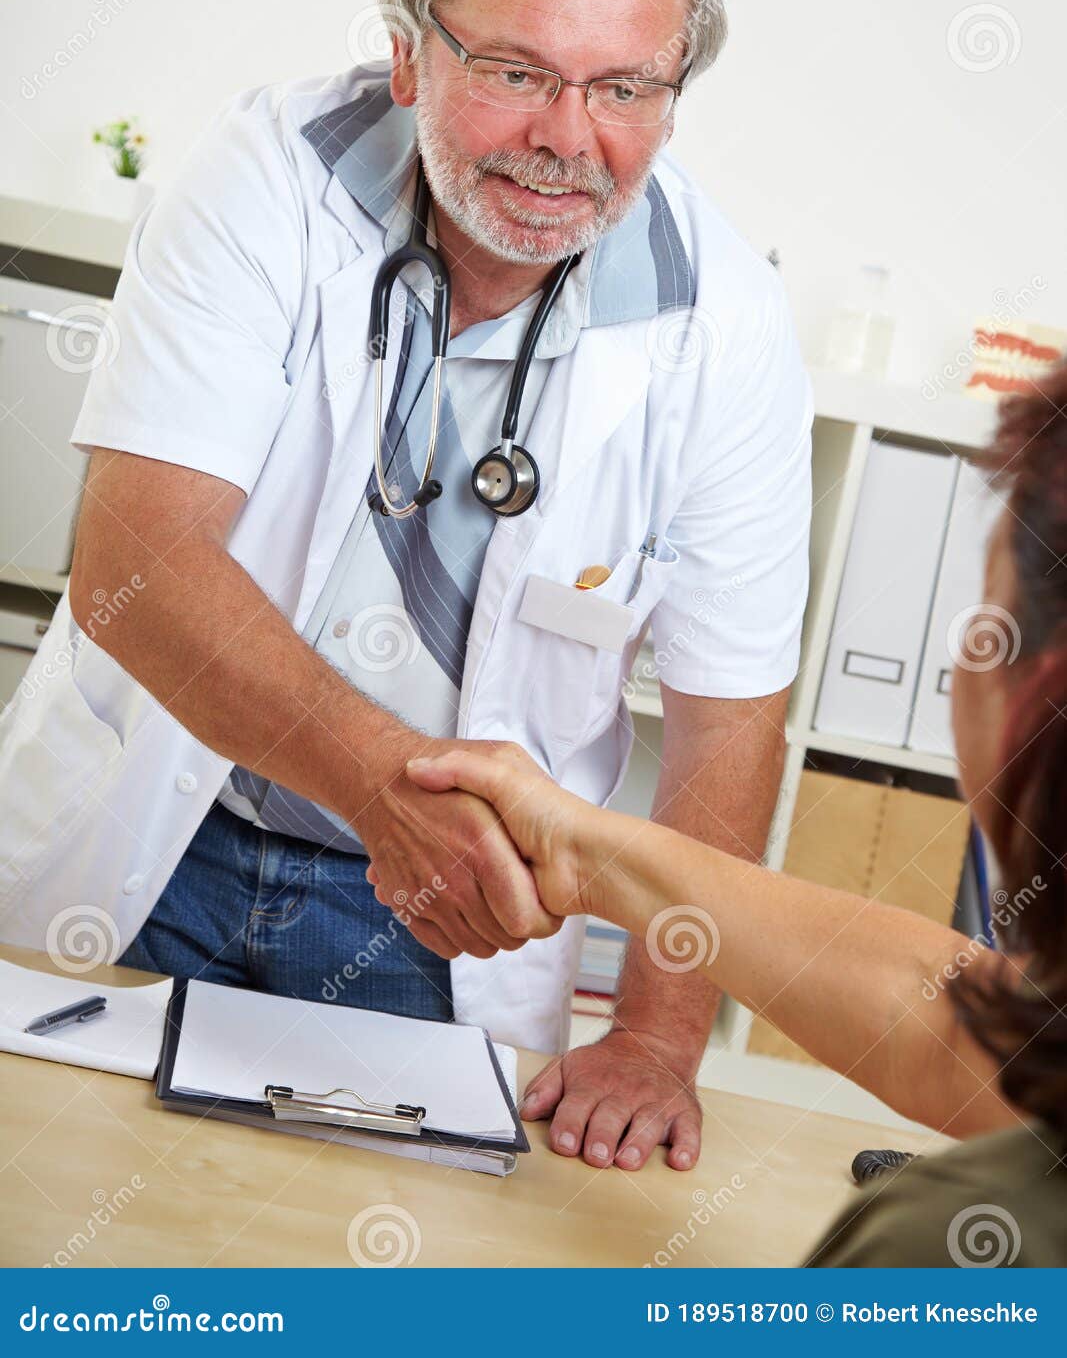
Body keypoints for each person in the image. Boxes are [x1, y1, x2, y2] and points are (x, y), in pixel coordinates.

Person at [0, 0, 812, 1173]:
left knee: (367, 1274)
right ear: (408, 50)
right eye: (513, 71)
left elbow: (730, 721)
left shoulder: (720, 326)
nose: (566, 139)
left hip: (434, 928)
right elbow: (137, 564)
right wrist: (388, 792)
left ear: (671, 95)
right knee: (53, 1203)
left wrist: (658, 1035)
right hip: (156, 832)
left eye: (622, 87)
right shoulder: (266, 182)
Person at [403, 363, 1067, 1260]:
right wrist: (587, 853)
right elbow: (961, 1033)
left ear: (1030, 702)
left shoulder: (959, 1240)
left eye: (984, 627)